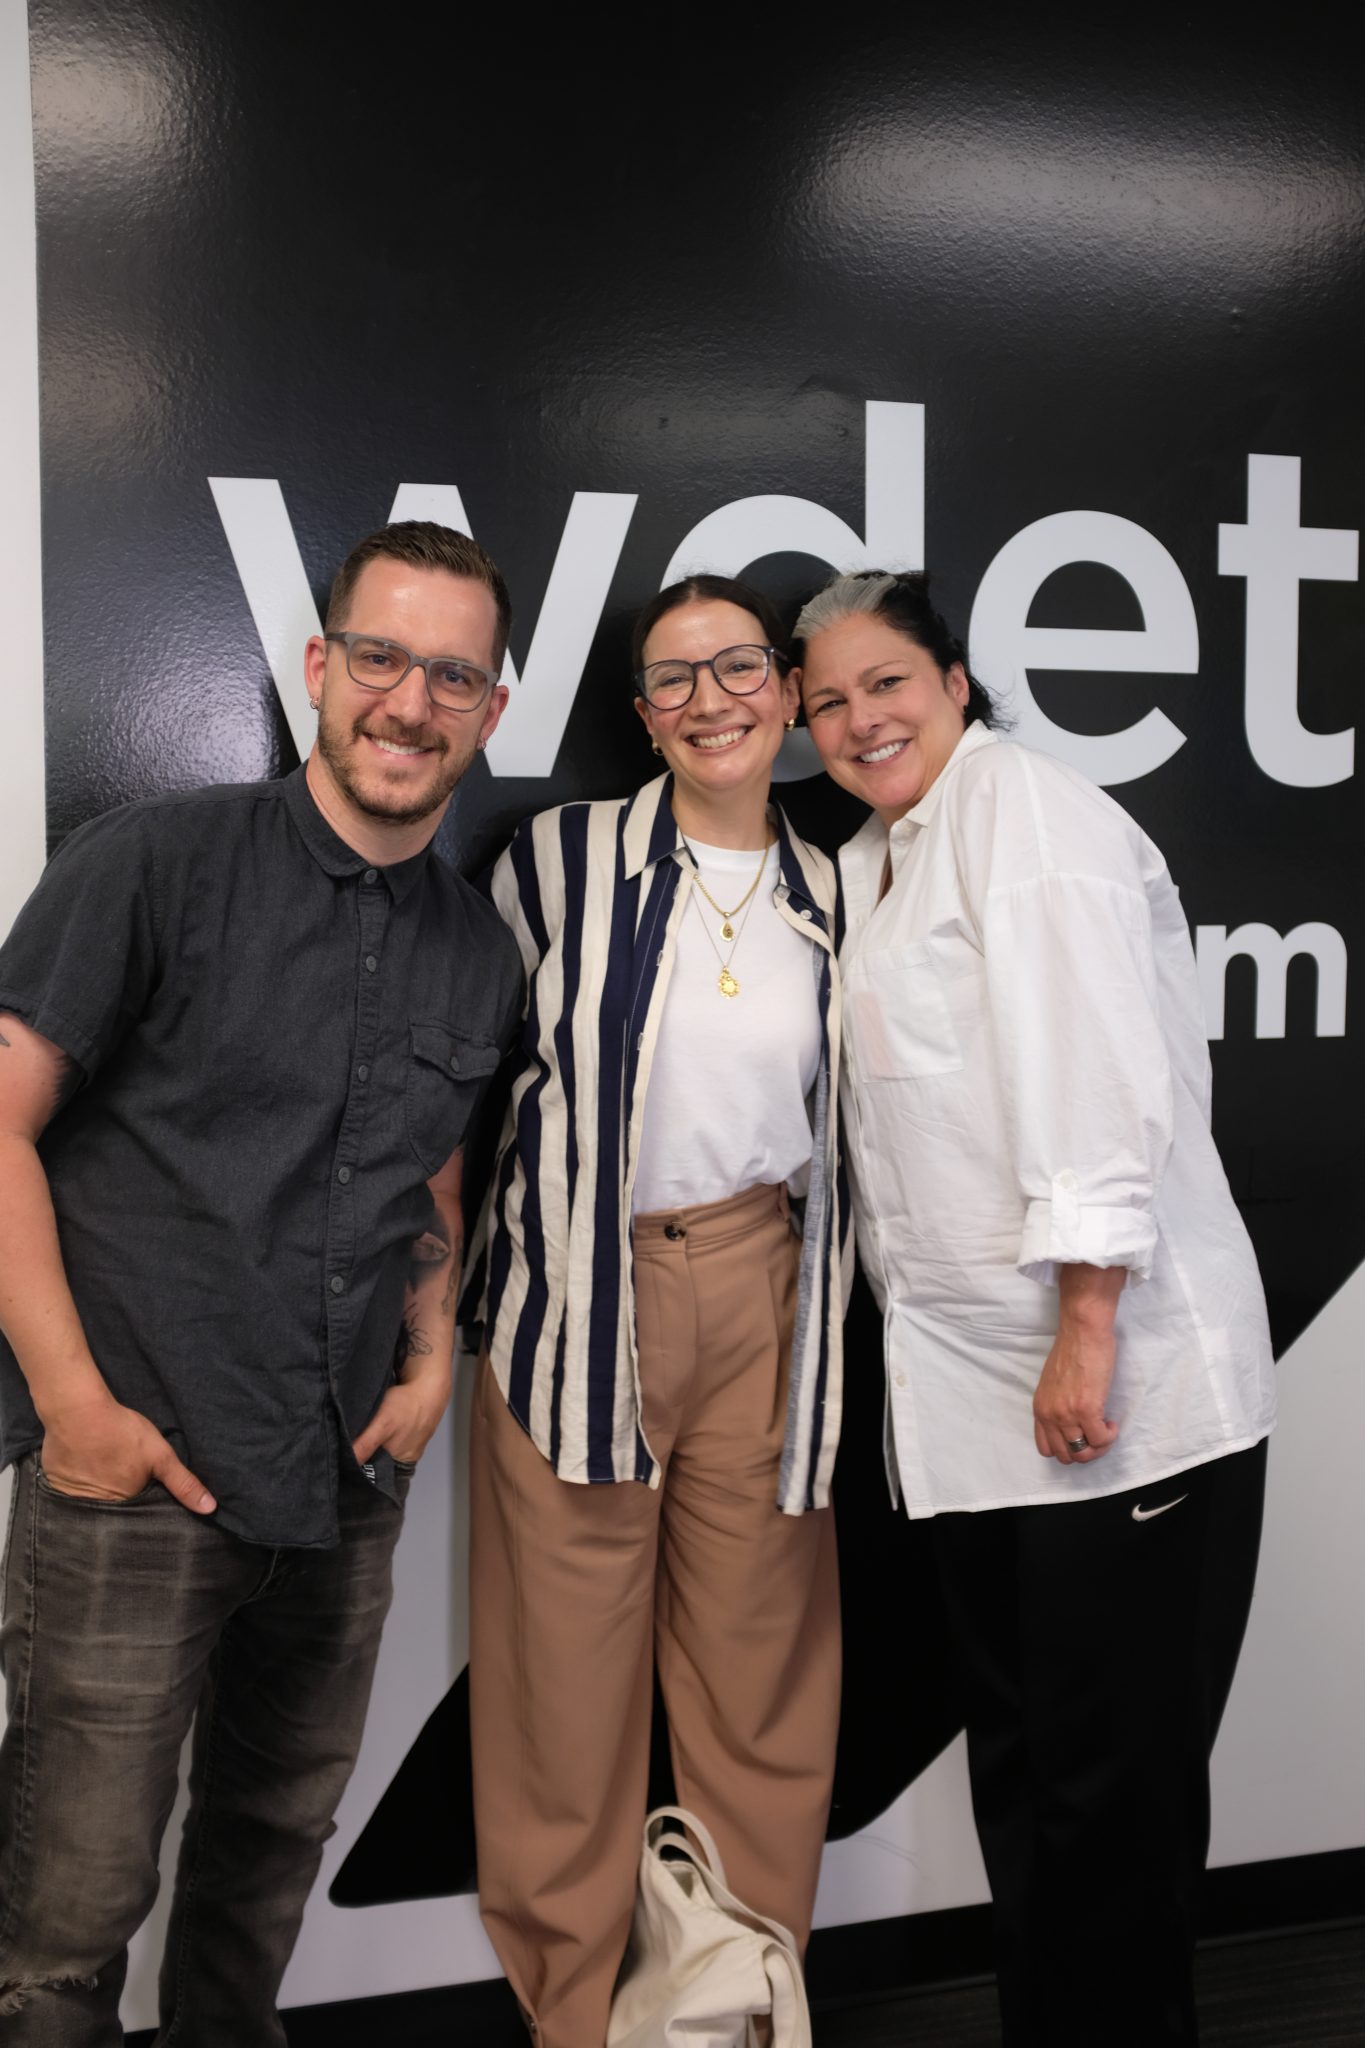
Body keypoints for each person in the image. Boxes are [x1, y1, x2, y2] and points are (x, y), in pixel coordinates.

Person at [0, 521, 522, 2045]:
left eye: (450, 675)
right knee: (64, 1915)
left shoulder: (474, 952)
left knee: (265, 1866)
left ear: (487, 710)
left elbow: (429, 1165)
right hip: (132, 1478)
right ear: (318, 668)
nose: (408, 704)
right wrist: (70, 1407)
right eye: (380, 658)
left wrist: (430, 1359)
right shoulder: (153, 864)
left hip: (340, 1479)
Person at [794, 569, 1276, 2048]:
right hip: (977, 1406)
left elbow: (1091, 1087)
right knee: (1028, 1772)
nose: (858, 718)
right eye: (826, 701)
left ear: (954, 680)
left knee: (1106, 1802)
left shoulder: (1026, 817)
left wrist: (1084, 1330)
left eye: (887, 681)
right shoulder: (891, 852)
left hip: (1110, 1400)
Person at [466, 574, 846, 2047]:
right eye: (673, 681)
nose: (711, 702)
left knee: (759, 1676)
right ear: (639, 714)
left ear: (787, 690)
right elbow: (471, 1092)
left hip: (767, 1289)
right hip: (575, 1301)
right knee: (562, 1693)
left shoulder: (836, 886)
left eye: (738, 668)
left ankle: (742, 2001)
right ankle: (572, 2015)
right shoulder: (553, 862)